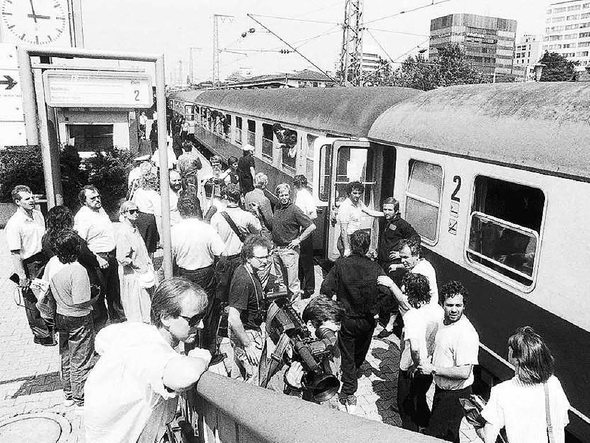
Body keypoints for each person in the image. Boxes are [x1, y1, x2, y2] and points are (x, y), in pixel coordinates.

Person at [84, 278, 212, 443]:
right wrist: (200, 358)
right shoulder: (151, 351)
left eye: (203, 317)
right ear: (165, 318)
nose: (201, 325)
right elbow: (185, 375)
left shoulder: (137, 331)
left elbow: (101, 339)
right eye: (194, 319)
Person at [320, 229, 389, 413]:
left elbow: (325, 288)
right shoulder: (375, 268)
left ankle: (349, 392)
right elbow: (386, 291)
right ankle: (354, 373)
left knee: (347, 355)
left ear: (351, 244)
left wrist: (333, 310)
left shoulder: (341, 265)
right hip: (367, 320)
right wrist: (375, 309)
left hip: (347, 318)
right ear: (367, 247)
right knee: (361, 350)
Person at [478, 326, 570, 443]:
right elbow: (563, 421)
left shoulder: (502, 391)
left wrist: (478, 428)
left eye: (510, 349)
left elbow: (488, 438)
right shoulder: (553, 383)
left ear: (517, 359)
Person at [378, 272, 443, 431]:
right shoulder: (438, 309)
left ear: (413, 294)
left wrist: (416, 364)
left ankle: (411, 433)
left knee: (405, 404)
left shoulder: (412, 316)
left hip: (411, 366)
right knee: (419, 397)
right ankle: (426, 425)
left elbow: (414, 347)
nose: (404, 295)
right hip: (429, 364)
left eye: (406, 292)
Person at [419, 281, 480, 443]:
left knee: (437, 435)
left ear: (464, 305)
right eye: (449, 305)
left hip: (455, 395)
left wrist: (432, 369)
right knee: (449, 435)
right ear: (442, 305)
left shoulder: (466, 333)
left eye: (458, 305)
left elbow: (464, 372)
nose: (454, 309)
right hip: (442, 390)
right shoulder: (444, 321)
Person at [44, 229, 96, 408]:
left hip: (61, 314)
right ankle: (80, 398)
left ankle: (68, 394)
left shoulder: (55, 267)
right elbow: (80, 301)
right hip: (78, 318)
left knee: (66, 356)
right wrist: (94, 297)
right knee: (81, 358)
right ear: (76, 248)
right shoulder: (78, 270)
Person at [208, 183, 261, 353]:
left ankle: (221, 330)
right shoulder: (246, 216)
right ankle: (238, 325)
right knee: (238, 295)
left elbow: (212, 239)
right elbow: (258, 232)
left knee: (221, 296)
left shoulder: (217, 217)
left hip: (223, 261)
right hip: (240, 260)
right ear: (239, 197)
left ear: (225, 197)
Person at [42, 206, 107, 331]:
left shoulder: (46, 239)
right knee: (96, 311)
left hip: (58, 278)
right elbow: (87, 255)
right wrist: (98, 261)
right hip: (80, 275)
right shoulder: (72, 238)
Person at [5, 185, 53, 345]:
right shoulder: (14, 224)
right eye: (27, 198)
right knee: (32, 299)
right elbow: (15, 253)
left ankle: (51, 327)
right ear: (18, 202)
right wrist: (22, 276)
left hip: (44, 258)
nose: (32, 200)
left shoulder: (38, 215)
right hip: (30, 263)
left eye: (32, 196)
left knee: (46, 294)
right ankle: (41, 334)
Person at [74, 185, 126, 323]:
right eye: (93, 198)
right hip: (97, 259)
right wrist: (97, 259)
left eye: (98, 196)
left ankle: (118, 322)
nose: (97, 199)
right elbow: (80, 243)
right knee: (99, 297)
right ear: (84, 201)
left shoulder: (100, 210)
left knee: (114, 293)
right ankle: (101, 327)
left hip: (110, 256)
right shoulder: (83, 216)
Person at [227, 235, 273, 385]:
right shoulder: (243, 280)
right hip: (247, 335)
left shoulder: (249, 271)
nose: (265, 261)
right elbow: (233, 318)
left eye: (267, 256)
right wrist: (247, 344)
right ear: (247, 257)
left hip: (248, 331)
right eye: (260, 258)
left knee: (238, 377)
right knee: (254, 382)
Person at [171, 194, 225, 305]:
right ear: (197, 208)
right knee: (207, 305)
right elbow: (222, 253)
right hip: (205, 274)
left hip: (183, 273)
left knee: (187, 304)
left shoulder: (173, 230)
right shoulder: (207, 229)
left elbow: (171, 255)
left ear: (180, 211)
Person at [269, 183, 316, 301]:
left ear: (289, 195)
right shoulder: (277, 207)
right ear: (278, 196)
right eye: (281, 195)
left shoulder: (294, 209)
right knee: (281, 283)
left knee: (293, 285)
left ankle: (295, 309)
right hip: (277, 250)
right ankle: (285, 309)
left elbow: (311, 226)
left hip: (289, 251)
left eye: (286, 195)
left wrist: (298, 239)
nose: (284, 197)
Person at [116, 201, 157, 323]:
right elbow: (122, 258)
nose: (135, 214)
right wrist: (136, 266)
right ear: (124, 214)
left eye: (137, 211)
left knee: (146, 307)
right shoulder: (123, 231)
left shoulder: (135, 228)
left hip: (142, 273)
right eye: (131, 211)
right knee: (136, 309)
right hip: (133, 276)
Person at [337, 181, 377, 257]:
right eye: (354, 193)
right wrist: (346, 248)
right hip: (347, 239)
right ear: (349, 193)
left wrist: (385, 214)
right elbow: (343, 230)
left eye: (359, 193)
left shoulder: (359, 203)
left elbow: (370, 212)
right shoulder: (345, 207)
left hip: (355, 238)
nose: (357, 195)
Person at [396, 238, 439, 308]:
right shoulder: (424, 263)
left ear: (416, 255)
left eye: (405, 257)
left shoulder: (418, 274)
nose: (402, 261)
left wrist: (391, 285)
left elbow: (407, 303)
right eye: (401, 257)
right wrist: (397, 266)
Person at [293, 174, 317, 299]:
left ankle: (309, 288)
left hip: (305, 230)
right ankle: (303, 286)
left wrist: (303, 222)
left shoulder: (305, 196)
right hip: (302, 230)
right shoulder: (301, 194)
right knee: (302, 260)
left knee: (306, 260)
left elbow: (313, 215)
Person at [132, 172, 161, 255]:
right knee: (149, 247)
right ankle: (149, 264)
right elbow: (158, 212)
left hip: (139, 217)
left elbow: (133, 203)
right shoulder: (154, 194)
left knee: (141, 243)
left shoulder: (138, 191)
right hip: (149, 219)